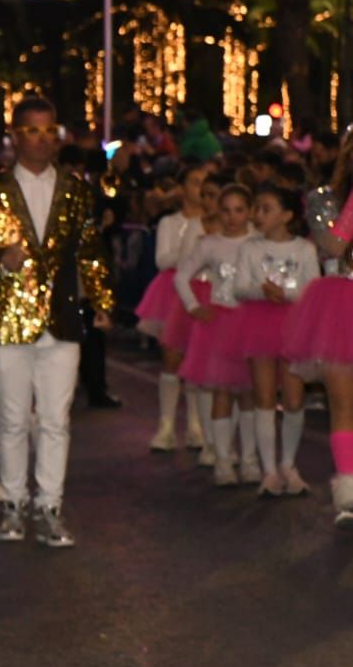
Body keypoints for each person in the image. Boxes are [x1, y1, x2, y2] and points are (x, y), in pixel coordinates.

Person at [0, 96, 114, 547]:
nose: (42, 139)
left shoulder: (78, 189)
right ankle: (13, 503)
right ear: (15, 136)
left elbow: (90, 250)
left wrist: (102, 300)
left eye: (49, 130)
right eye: (32, 130)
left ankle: (50, 506)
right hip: (7, 318)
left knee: (55, 419)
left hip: (62, 318)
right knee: (11, 418)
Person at [286, 127, 353, 523]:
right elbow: (333, 248)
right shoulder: (325, 201)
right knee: (343, 405)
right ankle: (348, 490)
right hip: (341, 302)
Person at [234, 184, 319, 496]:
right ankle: (269, 470)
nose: (258, 215)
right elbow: (239, 287)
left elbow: (313, 289)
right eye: (256, 208)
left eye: (266, 209)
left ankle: (289, 464)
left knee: (295, 400)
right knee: (265, 397)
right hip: (260, 322)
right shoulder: (250, 248)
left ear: (287, 215)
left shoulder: (304, 249)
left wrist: (285, 294)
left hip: (296, 324)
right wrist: (262, 291)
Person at [176, 183, 258, 486]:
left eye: (239, 210)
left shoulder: (257, 242)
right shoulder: (209, 244)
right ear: (218, 212)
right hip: (222, 323)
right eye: (226, 210)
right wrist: (194, 306)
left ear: (249, 212)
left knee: (250, 394)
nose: (233, 217)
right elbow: (182, 276)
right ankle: (223, 460)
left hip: (252, 323)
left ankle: (249, 459)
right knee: (222, 391)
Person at [136, 163, 210, 453]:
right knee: (172, 358)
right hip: (173, 292)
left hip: (205, 290)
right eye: (194, 182)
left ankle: (195, 425)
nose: (199, 190)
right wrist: (189, 250)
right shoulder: (170, 222)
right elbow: (162, 260)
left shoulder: (214, 224)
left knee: (197, 359)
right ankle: (166, 425)